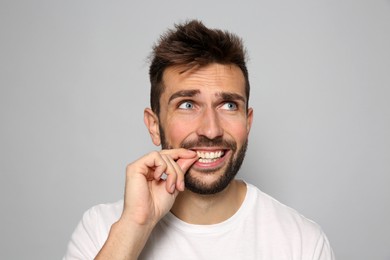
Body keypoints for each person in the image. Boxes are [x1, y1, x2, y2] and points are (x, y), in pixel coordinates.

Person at [63, 20, 335, 260]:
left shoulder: (302, 242)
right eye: (187, 105)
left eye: (228, 105)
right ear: (154, 125)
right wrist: (137, 224)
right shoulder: (102, 229)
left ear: (247, 123)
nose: (211, 130)